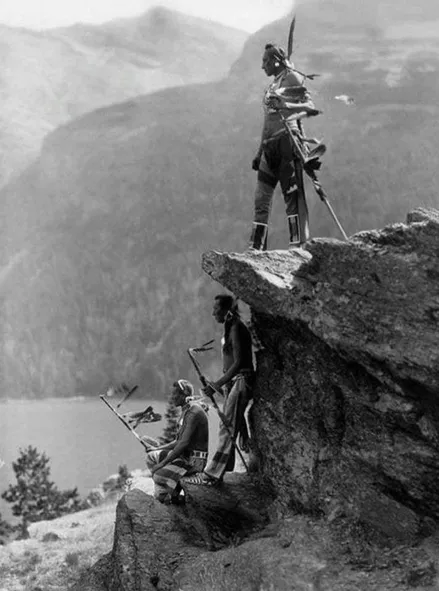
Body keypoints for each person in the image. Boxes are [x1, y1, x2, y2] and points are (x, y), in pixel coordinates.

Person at [249, 42, 320, 250]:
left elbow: (310, 107)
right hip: (269, 148)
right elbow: (266, 120)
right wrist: (259, 151)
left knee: (292, 198)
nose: (262, 66)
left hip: (287, 143)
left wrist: (285, 105)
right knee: (261, 198)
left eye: (265, 61)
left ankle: (298, 246)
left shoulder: (292, 78)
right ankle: (256, 246)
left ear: (276, 61)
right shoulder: (271, 85)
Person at [186, 294, 254, 486]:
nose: (213, 312)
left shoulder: (236, 328)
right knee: (230, 421)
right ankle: (226, 468)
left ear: (227, 310)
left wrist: (215, 385)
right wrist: (220, 384)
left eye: (216, 309)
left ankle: (214, 472)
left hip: (242, 380)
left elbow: (239, 362)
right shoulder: (232, 328)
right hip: (235, 381)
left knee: (226, 425)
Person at [142, 379, 209, 504]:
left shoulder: (193, 412)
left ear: (184, 395)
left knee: (158, 475)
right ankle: (170, 494)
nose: (171, 397)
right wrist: (156, 449)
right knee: (151, 457)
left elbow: (183, 444)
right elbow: (178, 441)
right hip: (186, 457)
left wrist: (162, 465)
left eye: (174, 394)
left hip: (194, 462)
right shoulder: (187, 410)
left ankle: (166, 498)